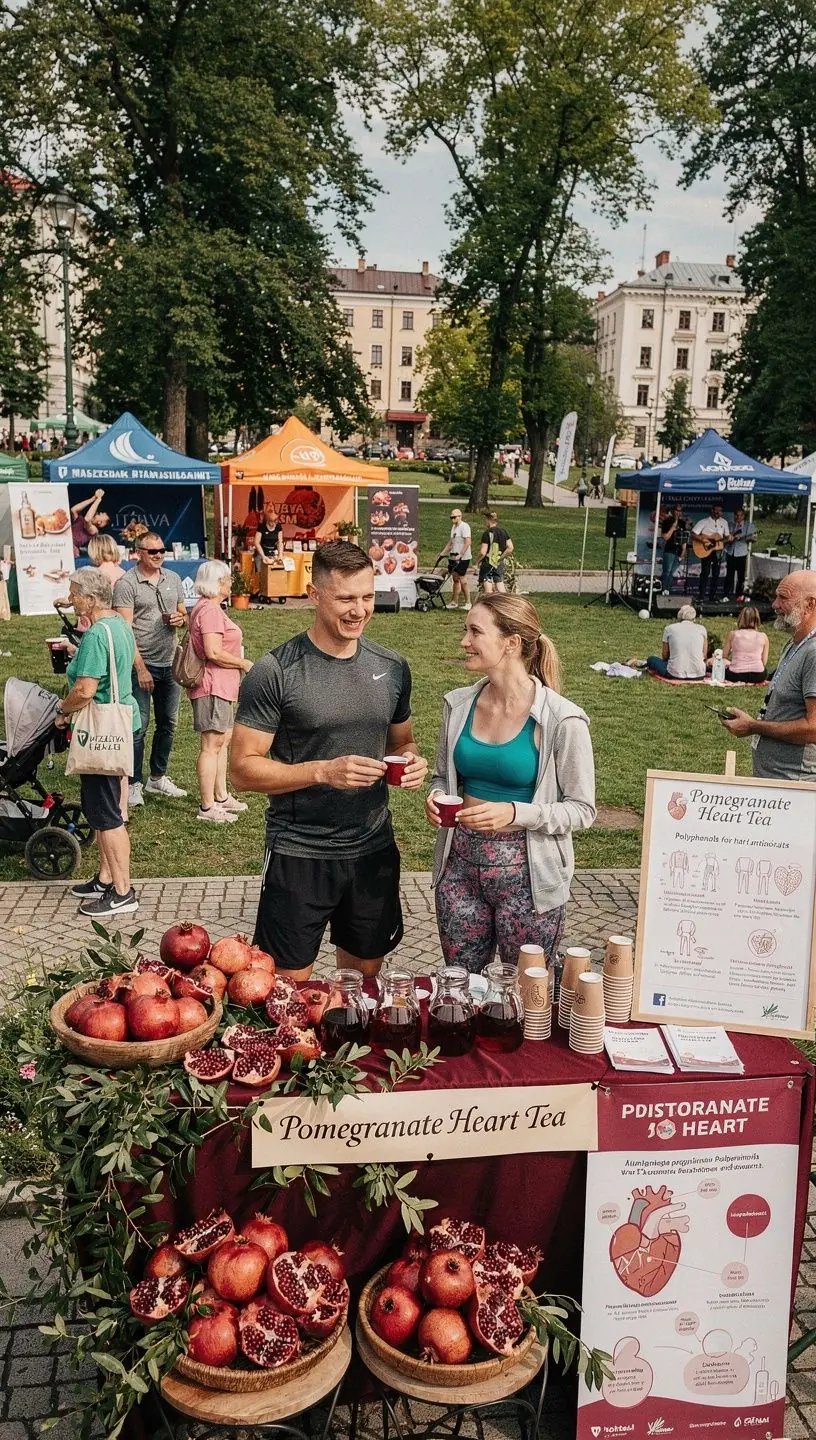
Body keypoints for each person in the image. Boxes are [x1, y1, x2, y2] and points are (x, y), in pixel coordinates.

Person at [230, 540, 428, 980]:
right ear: (313, 594)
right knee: (287, 992)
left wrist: (412, 761)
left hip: (373, 850)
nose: (359, 610)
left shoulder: (393, 666)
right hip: (299, 853)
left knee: (361, 987)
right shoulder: (276, 671)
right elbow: (242, 769)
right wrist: (323, 771)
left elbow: (402, 743)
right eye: (345, 598)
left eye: (367, 596)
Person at [426, 594, 595, 971]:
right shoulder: (457, 706)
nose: (464, 641)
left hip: (528, 874)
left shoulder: (562, 720)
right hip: (460, 865)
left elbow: (582, 809)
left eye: (474, 631)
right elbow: (442, 777)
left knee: (524, 994)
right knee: (461, 988)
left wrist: (515, 812)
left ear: (511, 643)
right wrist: (437, 796)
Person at [54, 568, 140, 917]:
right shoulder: (119, 625)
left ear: (90, 598)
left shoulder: (94, 635)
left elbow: (86, 690)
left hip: (104, 731)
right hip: (125, 723)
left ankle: (122, 892)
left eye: (74, 593)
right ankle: (107, 879)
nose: (71, 598)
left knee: (106, 816)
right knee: (113, 809)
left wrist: (62, 710)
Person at [113, 531, 188, 808]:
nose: (159, 555)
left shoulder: (174, 579)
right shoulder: (127, 584)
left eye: (162, 551)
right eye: (153, 551)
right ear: (139, 553)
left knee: (169, 723)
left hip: (171, 664)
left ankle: (157, 778)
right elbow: (124, 630)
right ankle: (132, 783)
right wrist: (141, 668)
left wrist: (181, 619)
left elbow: (184, 614)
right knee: (138, 727)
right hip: (140, 664)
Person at [721, 572, 816, 780]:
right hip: (776, 781)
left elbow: (813, 729)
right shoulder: (793, 644)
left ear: (810, 605)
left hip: (795, 787)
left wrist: (754, 726)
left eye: (783, 597)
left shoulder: (814, 652)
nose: (774, 604)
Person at [188, 560, 253, 824]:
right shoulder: (210, 611)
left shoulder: (209, 608)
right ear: (217, 583)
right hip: (213, 686)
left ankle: (221, 796)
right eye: (226, 579)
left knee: (222, 741)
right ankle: (206, 807)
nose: (230, 583)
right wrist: (243, 663)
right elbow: (213, 651)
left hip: (222, 686)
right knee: (211, 745)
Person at [646, 604, 707, 680]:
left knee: (651, 659)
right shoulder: (702, 629)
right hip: (699, 674)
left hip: (674, 674)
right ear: (694, 617)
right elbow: (704, 655)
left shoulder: (669, 628)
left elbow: (665, 655)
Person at [692, 503, 731, 600]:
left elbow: (726, 537)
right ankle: (701, 595)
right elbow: (693, 534)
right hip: (706, 550)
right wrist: (703, 540)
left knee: (716, 573)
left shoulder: (724, 522)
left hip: (717, 551)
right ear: (712, 510)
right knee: (705, 572)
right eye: (716, 510)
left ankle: (712, 596)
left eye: (720, 511)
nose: (718, 512)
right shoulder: (704, 522)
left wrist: (729, 538)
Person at [722, 606, 768, 684]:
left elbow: (724, 655)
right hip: (758, 676)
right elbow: (764, 662)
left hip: (735, 675)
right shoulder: (763, 636)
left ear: (741, 618)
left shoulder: (733, 634)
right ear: (757, 619)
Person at [441, 507, 472, 611]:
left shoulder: (464, 527)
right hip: (453, 556)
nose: (452, 519)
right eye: (451, 517)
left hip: (463, 558)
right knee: (455, 579)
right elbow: (451, 542)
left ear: (460, 516)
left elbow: (468, 542)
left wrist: (461, 554)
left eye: (454, 517)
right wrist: (443, 552)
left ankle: (468, 602)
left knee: (463, 579)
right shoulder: (454, 527)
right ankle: (454, 601)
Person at [723, 507, 756, 598]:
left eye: (740, 515)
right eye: (736, 515)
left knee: (740, 576)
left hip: (741, 553)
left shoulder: (748, 525)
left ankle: (739, 595)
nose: (738, 517)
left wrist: (742, 538)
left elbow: (754, 538)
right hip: (730, 552)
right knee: (729, 575)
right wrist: (729, 538)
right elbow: (725, 536)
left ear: (743, 516)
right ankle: (726, 594)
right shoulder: (730, 525)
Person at [478, 511, 513, 594]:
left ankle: (490, 603)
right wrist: (500, 557)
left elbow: (483, 552)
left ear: (488, 520)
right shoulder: (504, 532)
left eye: (485, 520)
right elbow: (510, 547)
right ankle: (505, 602)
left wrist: (477, 563)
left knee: (488, 587)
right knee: (500, 583)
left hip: (488, 562)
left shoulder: (487, 533)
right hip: (498, 562)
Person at [71, 490, 110, 558]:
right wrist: (93, 498)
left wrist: (98, 499)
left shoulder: (94, 531)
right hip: (61, 542)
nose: (100, 512)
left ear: (99, 522)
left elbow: (87, 519)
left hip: (70, 550)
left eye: (102, 514)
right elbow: (73, 510)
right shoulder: (80, 519)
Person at [660, 505, 686, 595]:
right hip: (669, 549)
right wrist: (673, 528)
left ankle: (668, 590)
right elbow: (665, 537)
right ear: (673, 511)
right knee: (666, 571)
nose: (678, 512)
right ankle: (663, 589)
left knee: (672, 572)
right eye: (677, 510)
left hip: (678, 551)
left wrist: (682, 553)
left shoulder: (682, 523)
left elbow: (684, 539)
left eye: (680, 511)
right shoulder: (667, 521)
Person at [253, 500, 284, 576]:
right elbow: (257, 543)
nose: (273, 524)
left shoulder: (278, 527)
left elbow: (280, 542)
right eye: (271, 522)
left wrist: (280, 555)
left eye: (275, 521)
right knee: (261, 575)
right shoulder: (261, 526)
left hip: (273, 554)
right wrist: (263, 556)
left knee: (275, 574)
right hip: (262, 553)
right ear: (267, 520)